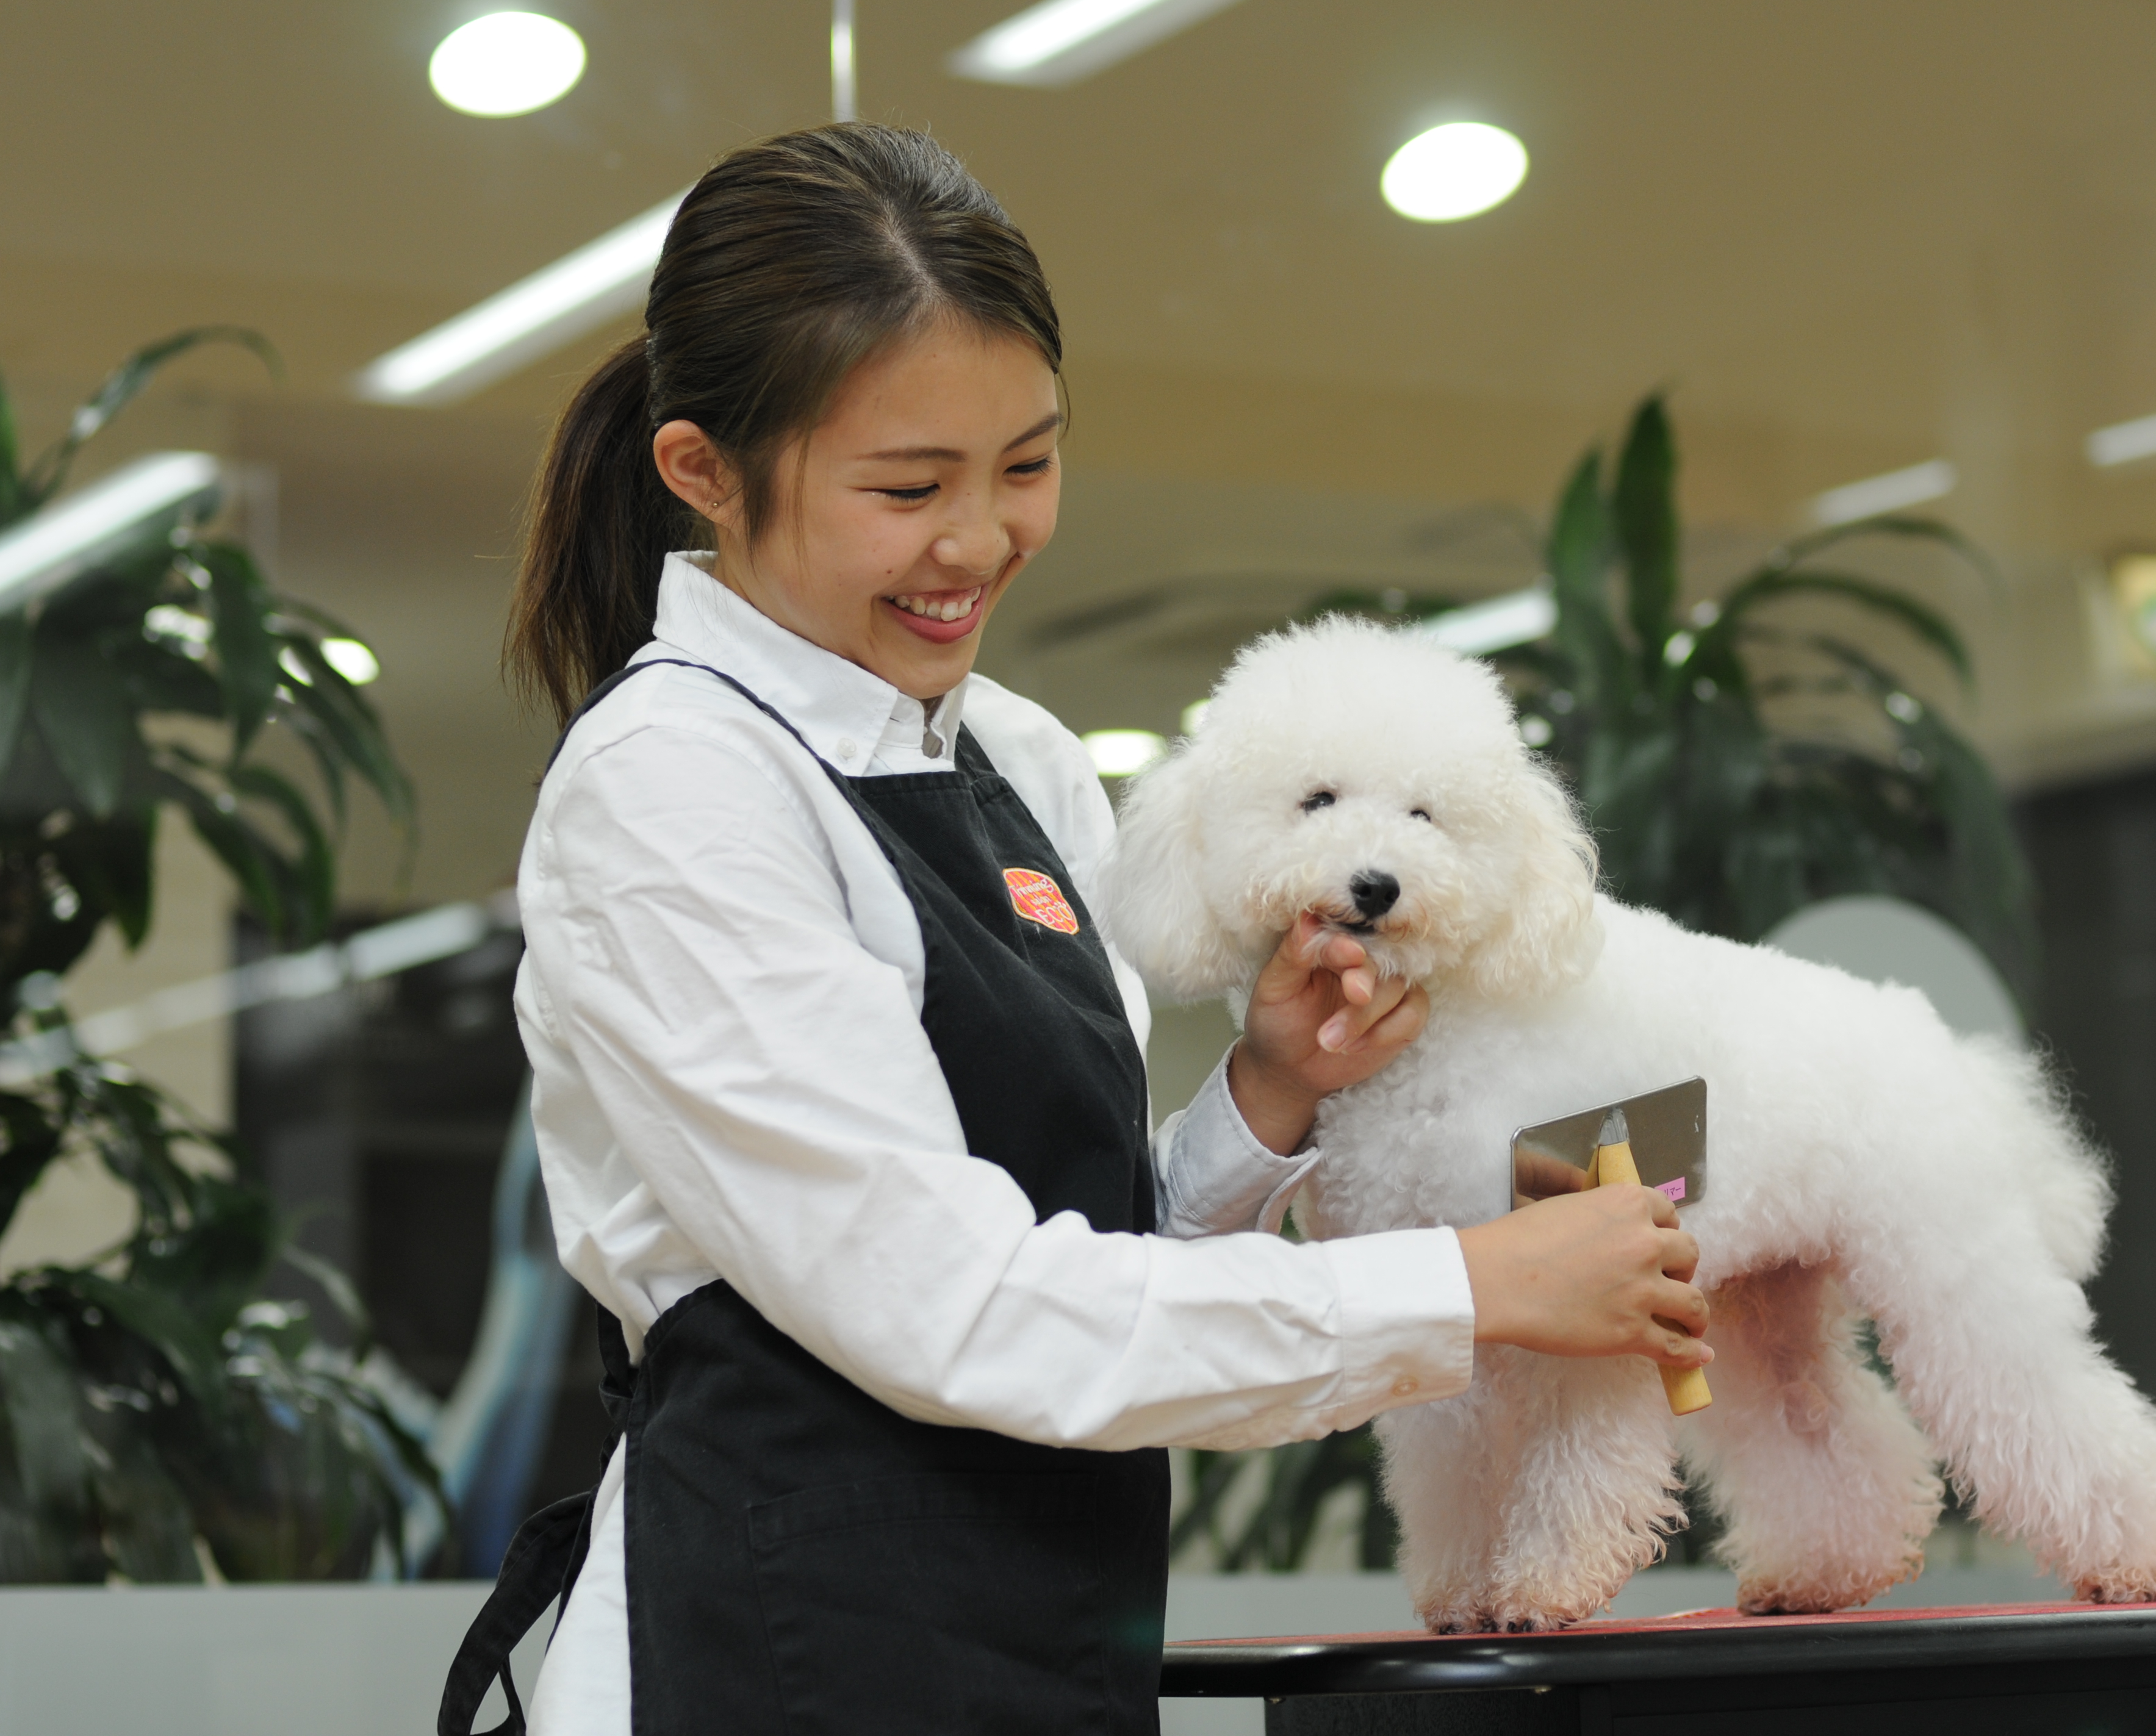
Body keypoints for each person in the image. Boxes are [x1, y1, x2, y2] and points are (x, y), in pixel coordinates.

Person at [436, 123, 1709, 1736]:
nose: (978, 542)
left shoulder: (1021, 758)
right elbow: (957, 1315)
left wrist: (1265, 1100)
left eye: (1026, 465)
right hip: (769, 1657)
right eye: (908, 488)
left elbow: (1092, 1281)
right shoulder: (673, 784)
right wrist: (1469, 1285)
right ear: (702, 472)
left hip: (1044, 1642)